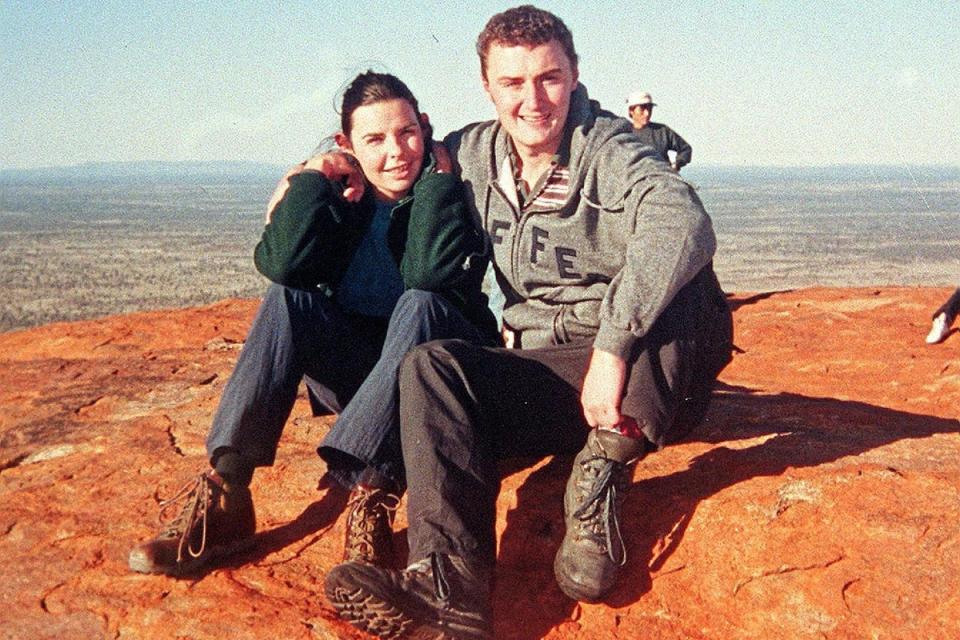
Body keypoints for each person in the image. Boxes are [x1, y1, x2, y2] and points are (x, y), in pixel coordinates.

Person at [324, 6, 733, 639]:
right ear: (488, 86)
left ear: (573, 76)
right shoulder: (471, 153)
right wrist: (315, 171)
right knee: (431, 366)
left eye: (548, 78)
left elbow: (681, 223)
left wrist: (614, 348)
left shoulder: (610, 148)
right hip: (549, 369)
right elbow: (391, 156)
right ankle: (449, 595)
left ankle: (605, 468)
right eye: (513, 83)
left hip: (643, 374)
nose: (533, 100)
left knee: (686, 282)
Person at [128, 71, 498, 576]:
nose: (396, 152)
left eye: (408, 132)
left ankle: (371, 497)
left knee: (420, 303)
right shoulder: (342, 196)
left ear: (426, 127)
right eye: (374, 139)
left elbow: (429, 273)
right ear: (348, 144)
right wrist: (311, 174)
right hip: (364, 378)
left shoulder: (449, 193)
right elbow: (281, 263)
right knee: (287, 297)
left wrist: (435, 184)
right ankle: (227, 493)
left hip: (436, 382)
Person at [626, 90, 693, 171]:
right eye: (642, 108)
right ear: (631, 110)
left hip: (662, 179)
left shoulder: (662, 131)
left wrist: (677, 164)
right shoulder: (624, 134)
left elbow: (685, 149)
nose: (647, 113)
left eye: (649, 108)